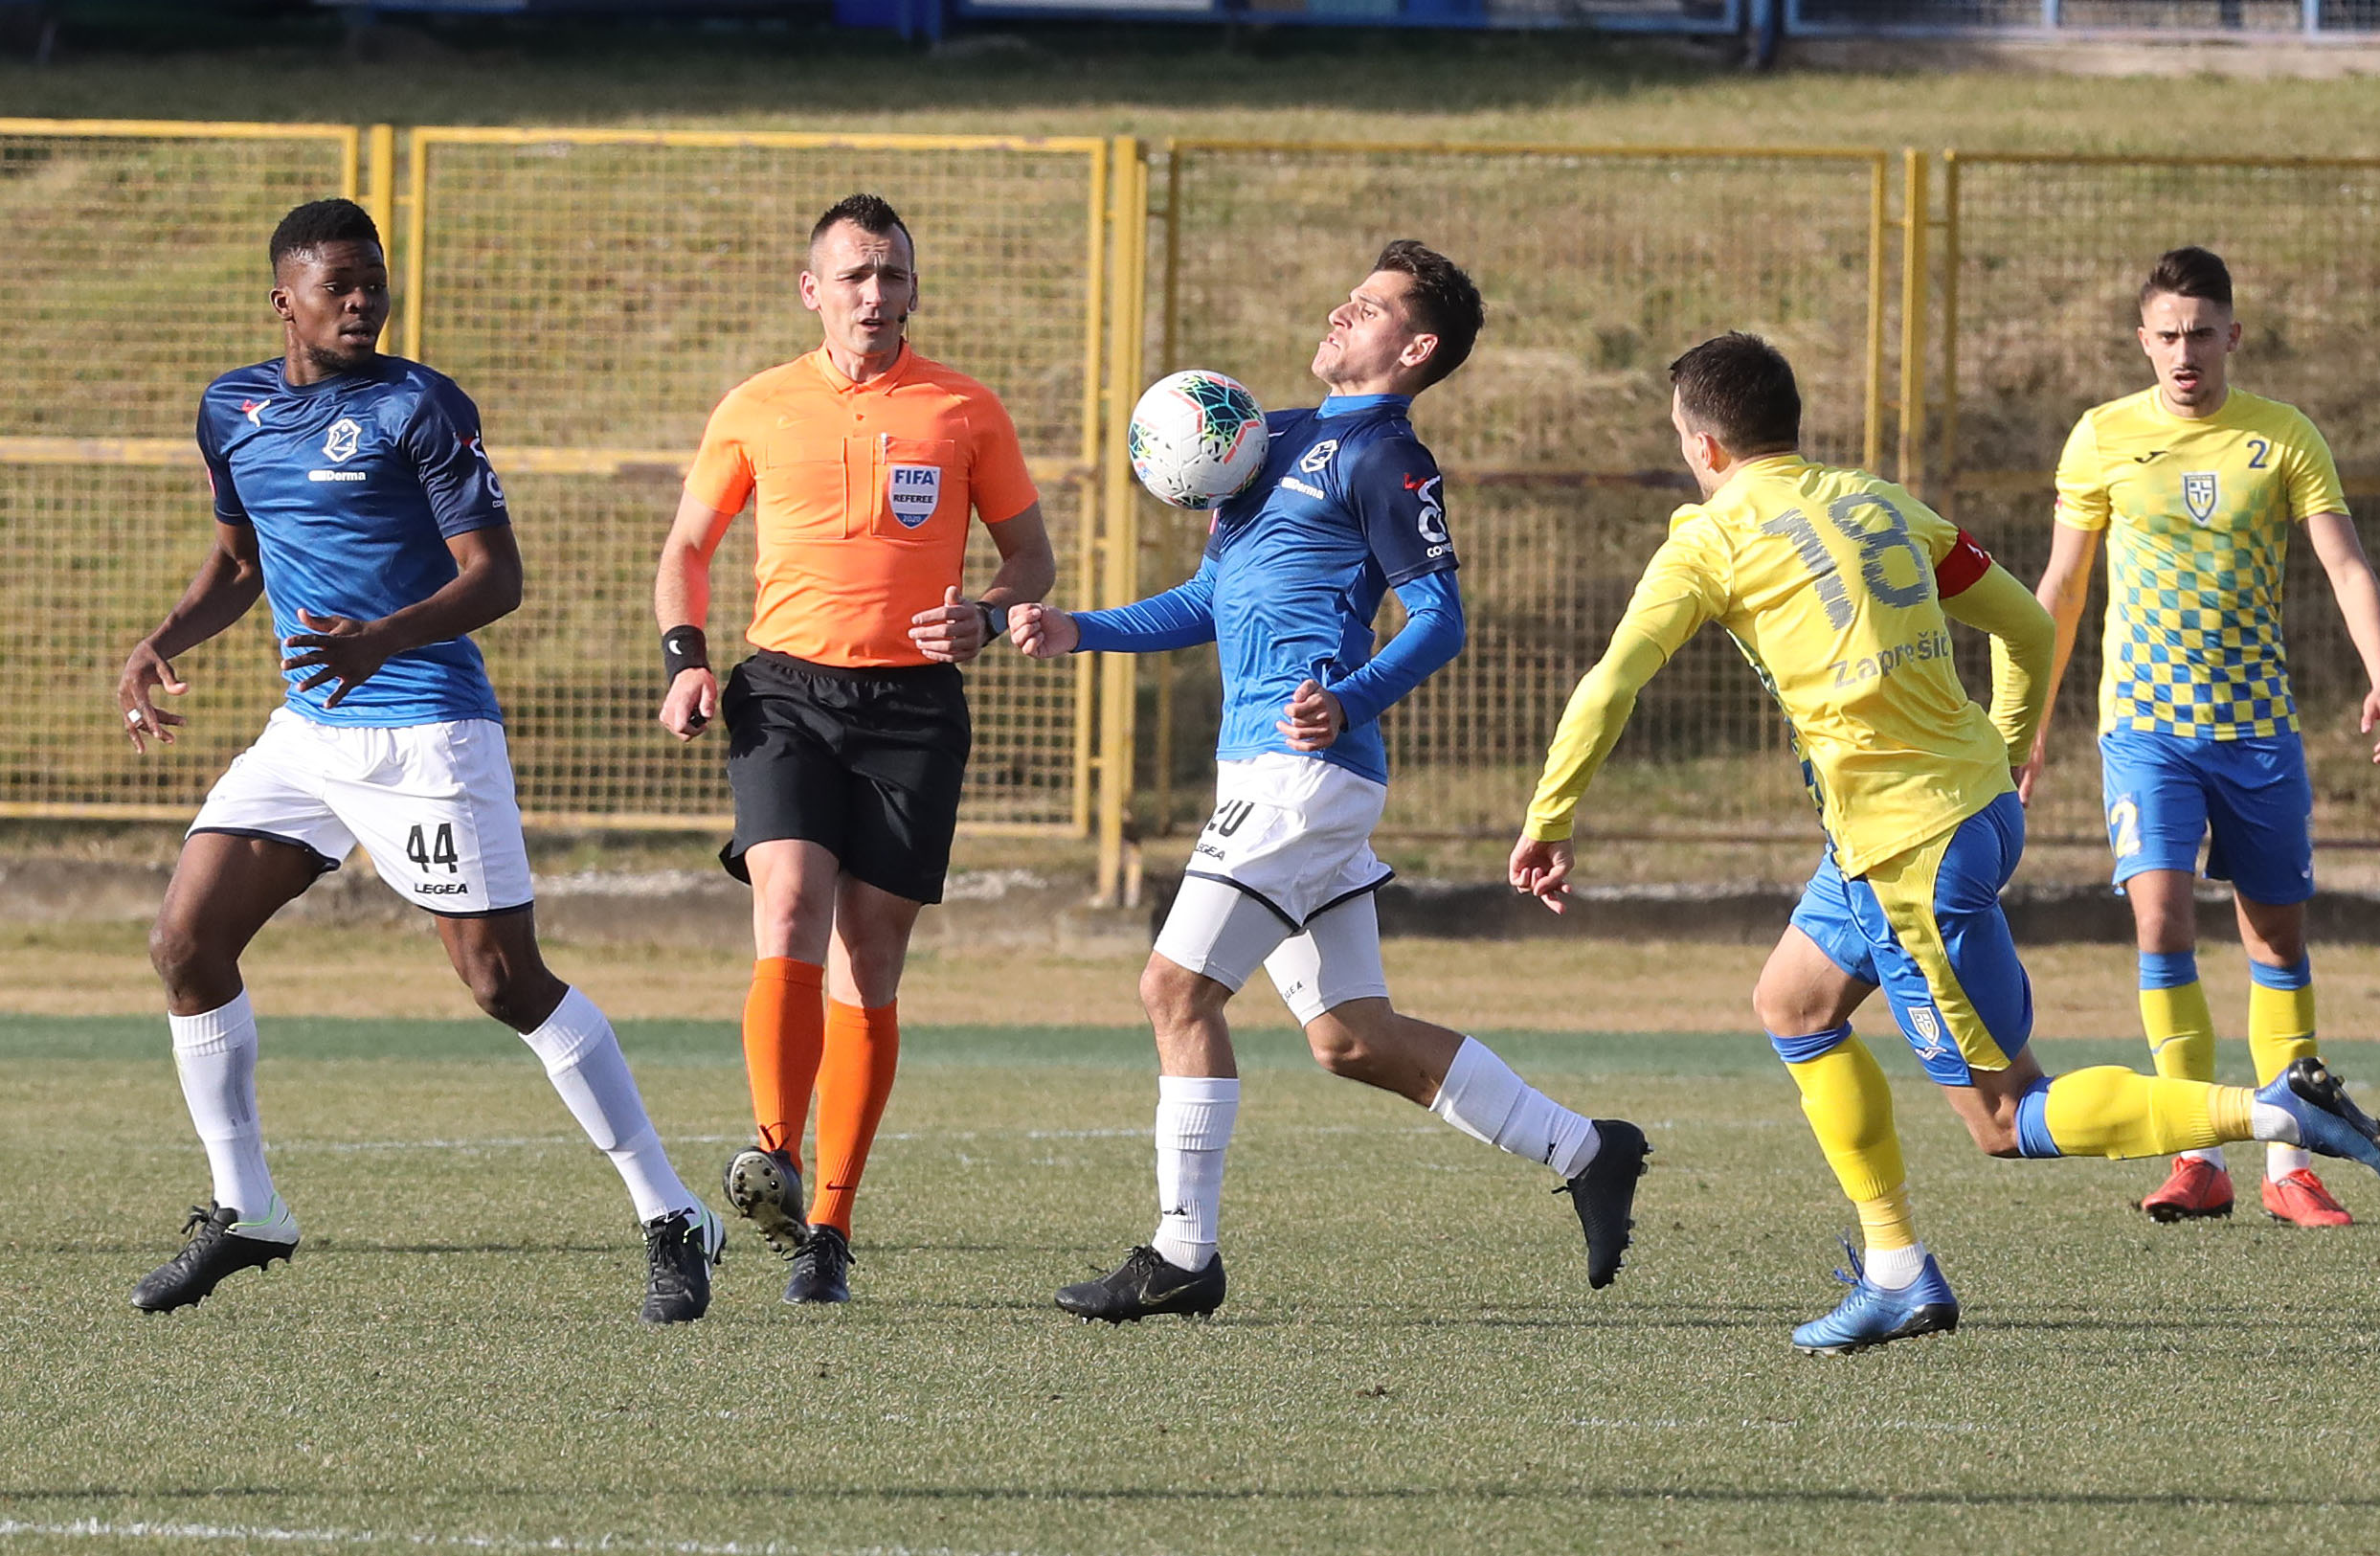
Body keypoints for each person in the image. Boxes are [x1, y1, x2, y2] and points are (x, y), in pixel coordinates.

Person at [1511, 330, 2380, 1355]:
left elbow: (1611, 683)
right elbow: (2027, 627)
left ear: (1704, 447)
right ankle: (1895, 1267)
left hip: (1910, 851)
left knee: (2006, 1116)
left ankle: (2275, 1110)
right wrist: (2009, 749)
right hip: (1952, 814)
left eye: (1681, 439)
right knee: (1793, 1002)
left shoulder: (1710, 541)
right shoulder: (1880, 501)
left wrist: (1550, 815)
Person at [1011, 241, 1650, 1324]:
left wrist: (1349, 698)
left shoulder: (1387, 457)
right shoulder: (1269, 440)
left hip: (1302, 775)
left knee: (1174, 990)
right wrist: (1082, 629)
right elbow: (1210, 598)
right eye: (1348, 298)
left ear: (1418, 346)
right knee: (1351, 1036)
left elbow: (1440, 619)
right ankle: (1587, 1148)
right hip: (1271, 769)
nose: (1341, 313)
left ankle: (1182, 1252)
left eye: (1370, 306)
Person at [118, 198, 723, 1324]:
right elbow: (239, 562)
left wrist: (382, 638)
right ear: (284, 299)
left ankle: (672, 1212)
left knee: (503, 982)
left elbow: (497, 577)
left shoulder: (420, 405)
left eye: (374, 283)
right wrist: (162, 640)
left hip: (427, 726)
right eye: (338, 285)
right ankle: (246, 1207)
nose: (363, 302)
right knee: (185, 943)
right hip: (309, 730)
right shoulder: (231, 408)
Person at [652, 193, 1056, 1306]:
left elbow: (1032, 556)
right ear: (812, 290)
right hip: (784, 690)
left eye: (892, 276)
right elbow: (688, 547)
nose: (874, 295)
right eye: (854, 276)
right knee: (787, 898)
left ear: (913, 289)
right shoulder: (757, 404)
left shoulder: (964, 409)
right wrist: (687, 657)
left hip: (914, 705)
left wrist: (986, 613)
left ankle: (827, 1226)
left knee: (868, 957)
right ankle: (775, 1153)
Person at [2022, 247, 2380, 1229]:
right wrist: (2026, 721)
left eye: (2200, 333)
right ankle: (2196, 1155)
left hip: (2258, 730)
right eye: (2167, 335)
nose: (2184, 352)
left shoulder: (2283, 436)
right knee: (2161, 921)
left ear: (2232, 335)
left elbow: (2346, 564)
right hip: (2146, 728)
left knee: (2276, 937)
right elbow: (2061, 588)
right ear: (2143, 341)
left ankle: (2289, 1163)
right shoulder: (2102, 436)